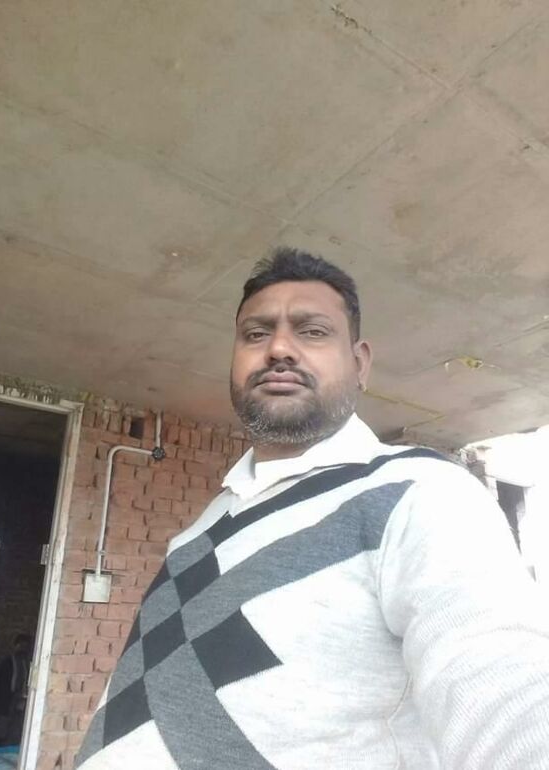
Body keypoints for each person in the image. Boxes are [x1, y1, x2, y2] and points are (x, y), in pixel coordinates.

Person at [77, 248, 549, 768]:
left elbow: (507, 686)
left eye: (313, 331)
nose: (278, 348)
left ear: (360, 363)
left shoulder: (420, 491)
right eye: (255, 334)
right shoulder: (195, 535)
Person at [0, 633, 32, 748]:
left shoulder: (25, 664)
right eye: (21, 646)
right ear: (15, 646)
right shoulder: (7, 663)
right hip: (2, 703)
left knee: (11, 735)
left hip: (17, 704)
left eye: (26, 647)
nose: (23, 649)